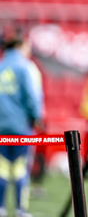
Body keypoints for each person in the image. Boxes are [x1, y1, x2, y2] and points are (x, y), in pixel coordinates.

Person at [0, 25, 43, 217]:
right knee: (19, 167)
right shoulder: (25, 67)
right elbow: (32, 97)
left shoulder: (1, 65)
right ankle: (20, 209)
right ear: (21, 44)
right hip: (20, 126)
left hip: (1, 126)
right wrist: (37, 117)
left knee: (1, 168)